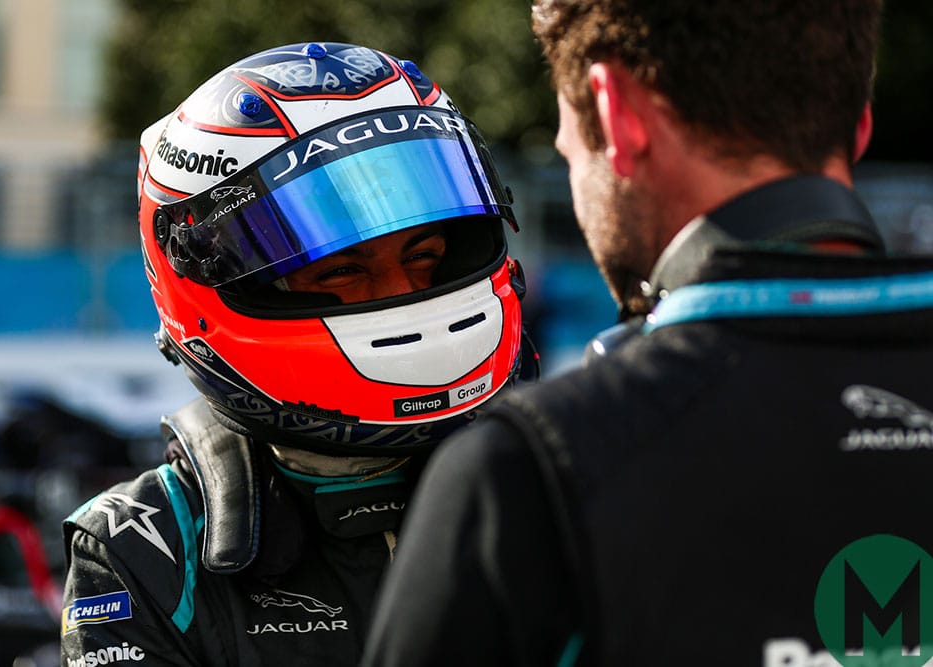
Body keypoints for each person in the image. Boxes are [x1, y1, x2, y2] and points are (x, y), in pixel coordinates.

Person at [362, 2, 933, 665]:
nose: (571, 172)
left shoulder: (527, 475)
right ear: (859, 122)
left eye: (568, 145)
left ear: (616, 115)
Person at [58, 42, 535, 667]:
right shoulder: (145, 548)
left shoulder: (561, 485)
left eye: (423, 257)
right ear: (209, 285)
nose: (401, 295)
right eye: (341, 270)